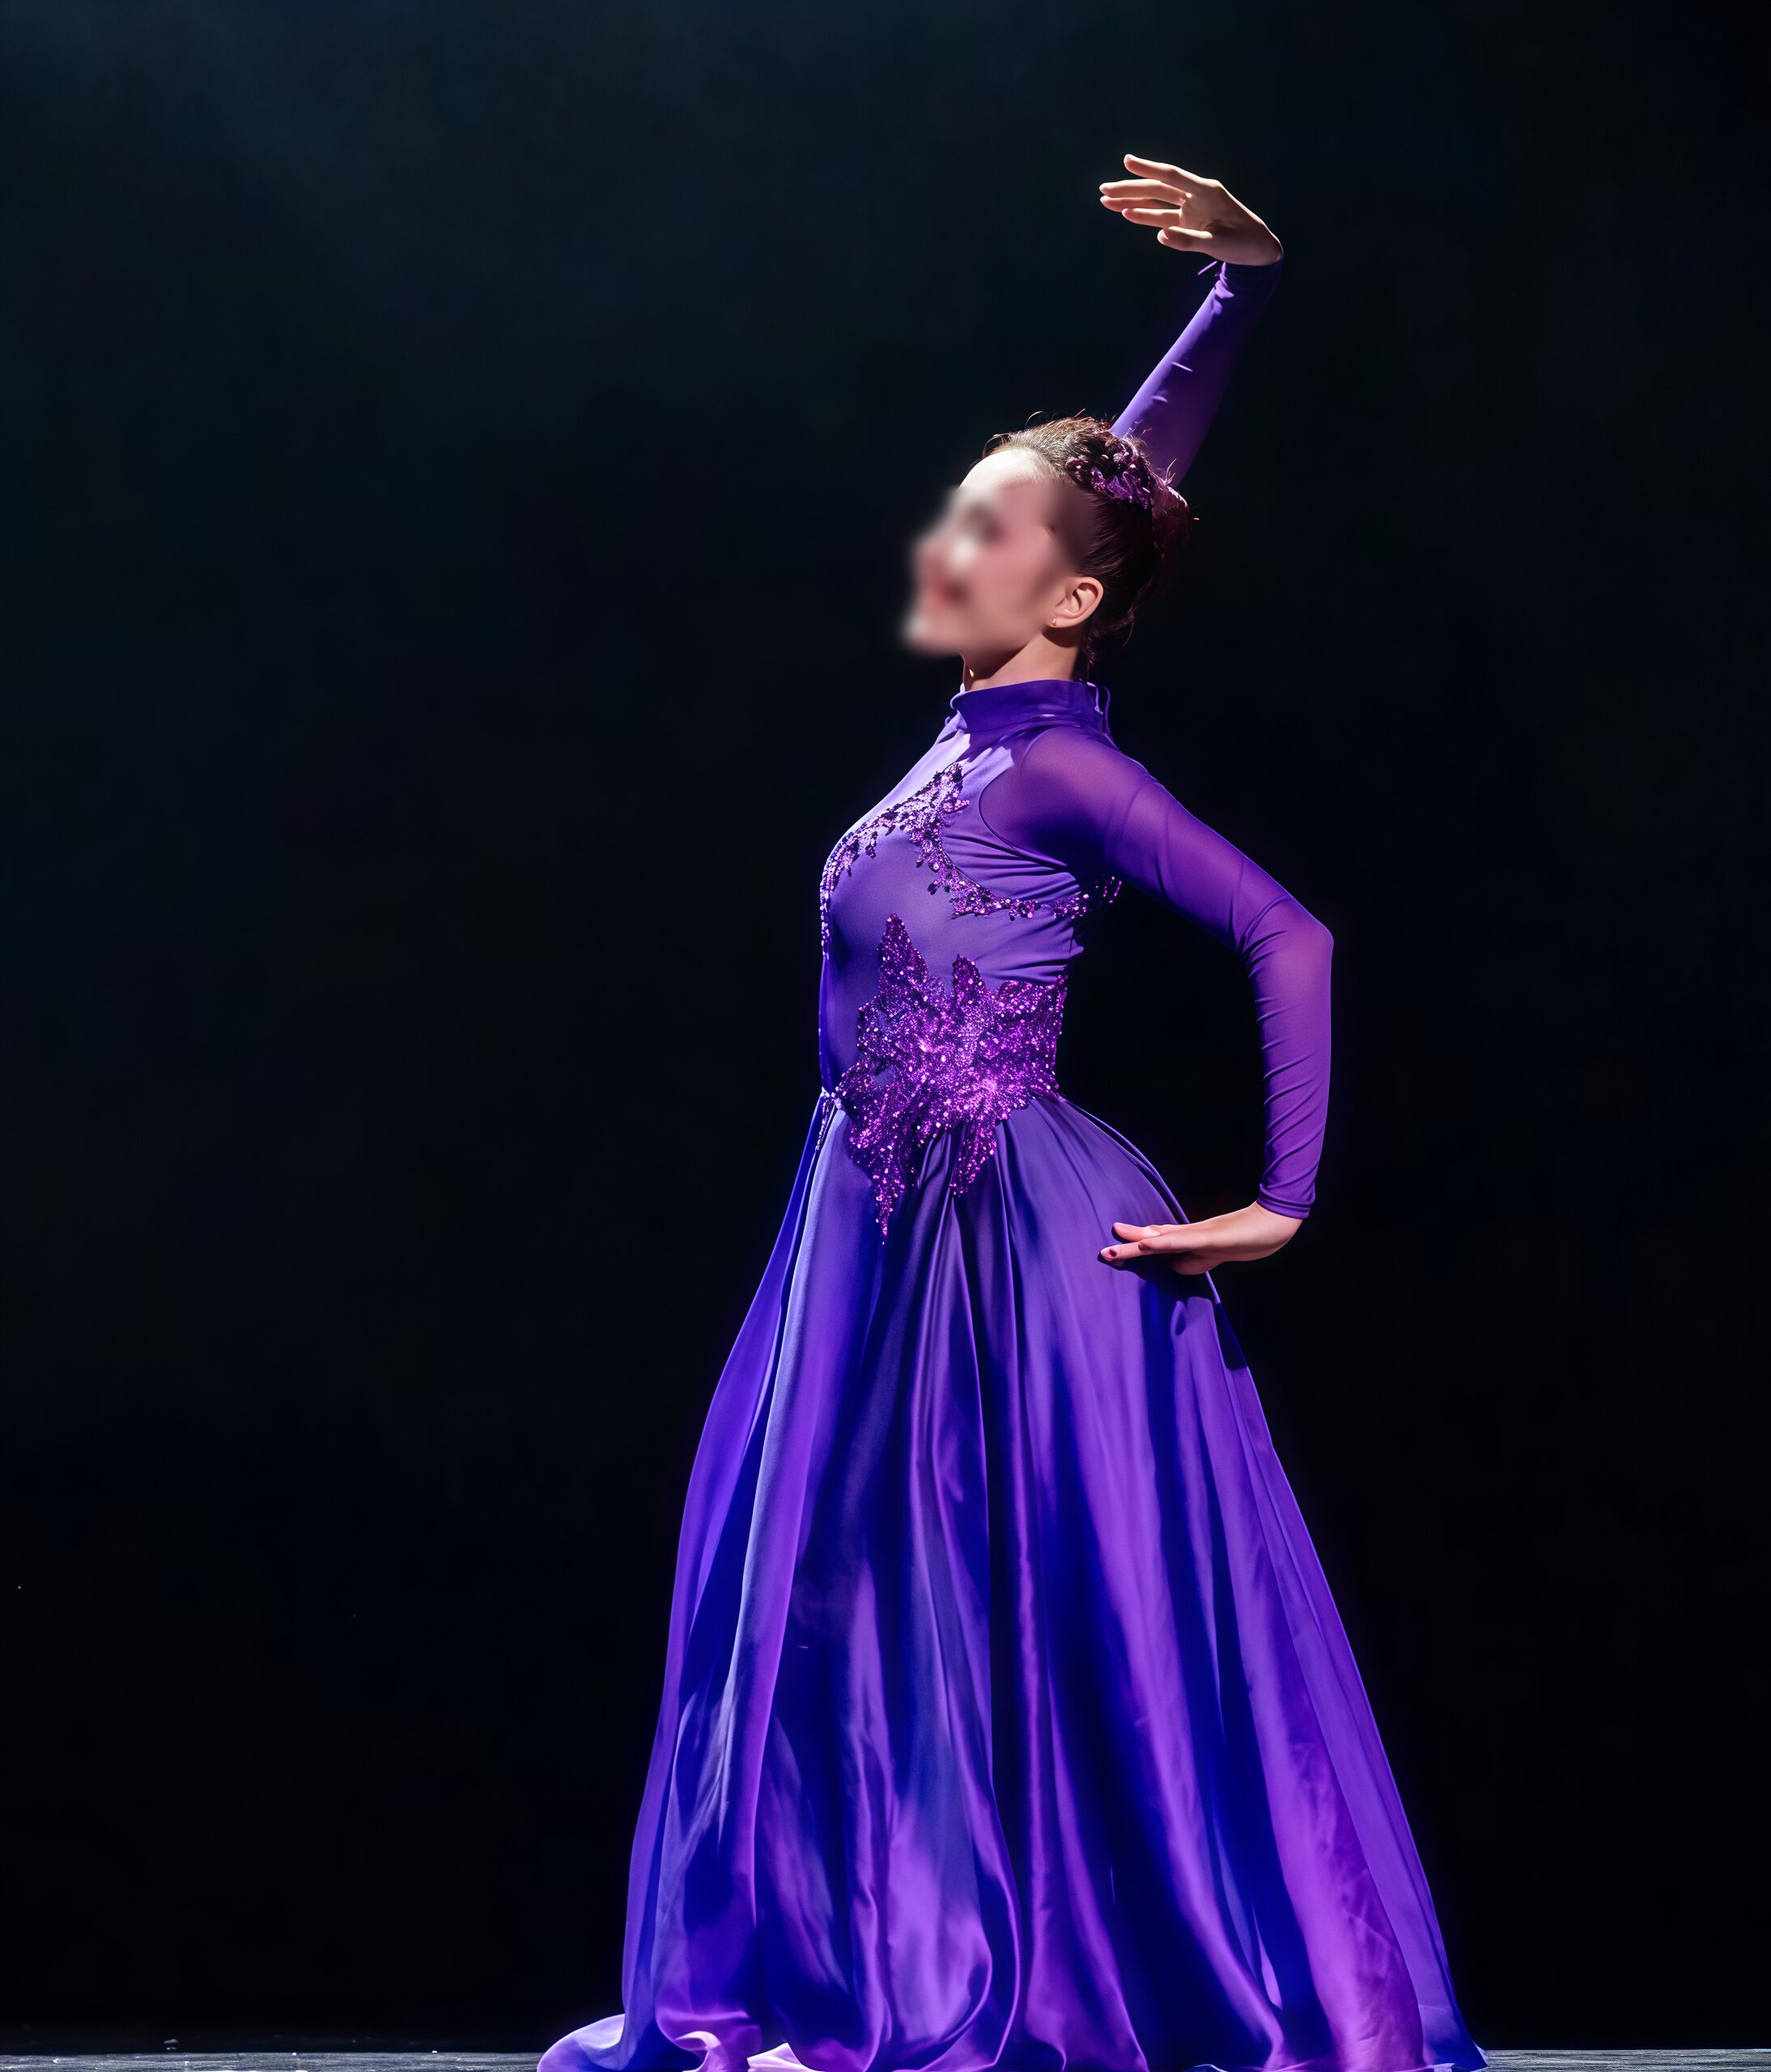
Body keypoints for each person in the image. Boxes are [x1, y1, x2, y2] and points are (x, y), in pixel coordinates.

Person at [541, 154, 1481, 2072]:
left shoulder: (1062, 766)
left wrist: (1282, 1198)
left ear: (1065, 597)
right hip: (867, 1222)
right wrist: (1233, 297)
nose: (947, 539)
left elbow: (1285, 931)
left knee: (1001, 1611)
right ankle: (859, 1972)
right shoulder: (969, 732)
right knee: (839, 1607)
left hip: (1007, 1232)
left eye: (988, 525)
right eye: (954, 509)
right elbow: (1112, 498)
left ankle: (1023, 1985)